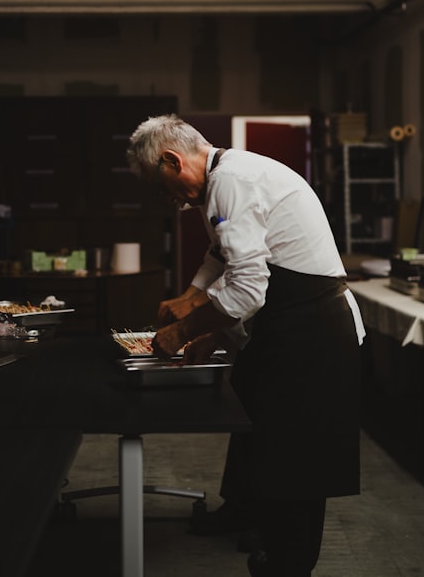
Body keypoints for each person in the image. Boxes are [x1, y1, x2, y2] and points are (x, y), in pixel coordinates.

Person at [126, 114, 365, 576]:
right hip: (287, 321)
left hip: (314, 328)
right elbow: (224, 253)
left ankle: (288, 563)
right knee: (254, 421)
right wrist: (193, 296)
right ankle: (248, 514)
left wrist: (186, 330)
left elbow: (248, 288)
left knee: (296, 454)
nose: (168, 200)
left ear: (173, 160)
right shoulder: (220, 176)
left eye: (162, 186)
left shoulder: (230, 182)